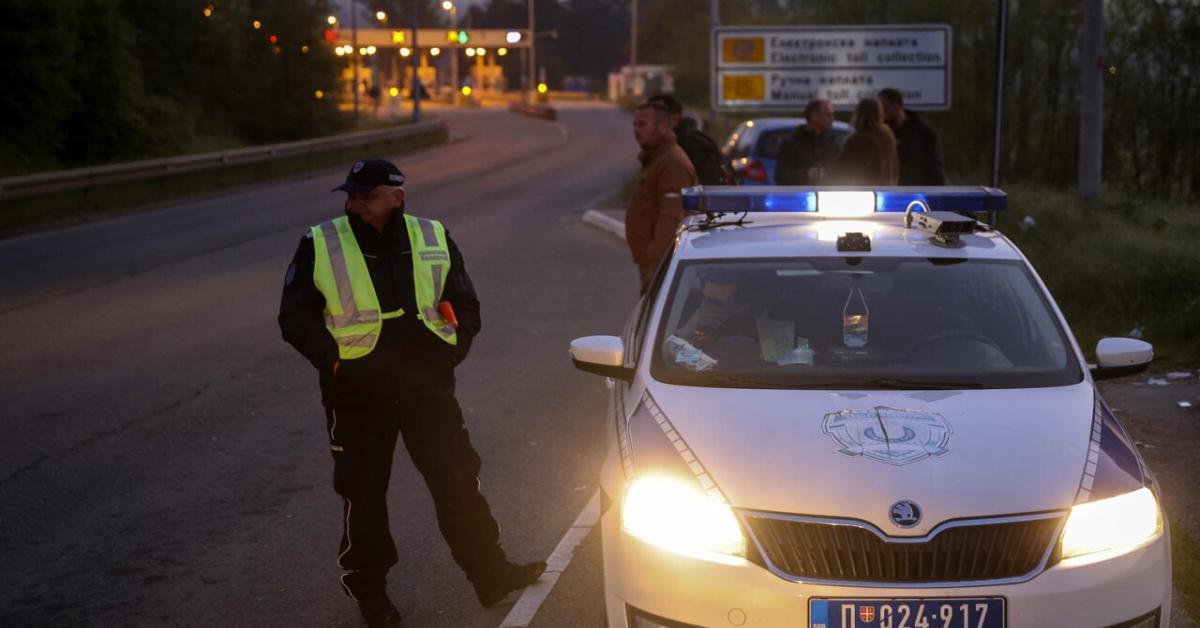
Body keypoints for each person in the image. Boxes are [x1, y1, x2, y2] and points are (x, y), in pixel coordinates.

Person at [278, 159, 545, 627]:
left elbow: (464, 303)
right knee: (364, 496)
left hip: (428, 392)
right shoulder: (320, 241)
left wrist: (451, 353)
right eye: (352, 195)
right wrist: (336, 363)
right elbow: (295, 317)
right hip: (358, 396)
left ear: (397, 197)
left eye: (367, 195)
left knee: (458, 483)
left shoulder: (432, 235)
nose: (356, 203)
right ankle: (371, 591)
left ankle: (491, 574)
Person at [627, 100, 699, 294]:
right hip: (653, 261)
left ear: (663, 127)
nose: (636, 130)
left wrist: (655, 264)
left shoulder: (671, 163)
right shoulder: (657, 158)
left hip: (660, 264)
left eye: (642, 124)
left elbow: (670, 218)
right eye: (635, 124)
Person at [647, 93, 733, 185]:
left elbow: (704, 188)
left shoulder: (694, 148)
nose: (651, 124)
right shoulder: (659, 147)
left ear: (674, 118)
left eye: (657, 118)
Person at [876, 87, 946, 185]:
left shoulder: (925, 133)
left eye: (884, 108)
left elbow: (934, 169)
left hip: (916, 193)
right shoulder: (878, 134)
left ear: (896, 107)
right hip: (887, 193)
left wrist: (939, 195)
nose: (880, 114)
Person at [827, 98, 899, 186]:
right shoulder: (887, 137)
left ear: (858, 114)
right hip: (887, 189)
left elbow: (840, 168)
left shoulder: (858, 140)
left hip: (863, 190)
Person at [775, 99, 840, 185]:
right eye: (828, 115)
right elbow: (781, 178)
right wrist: (806, 175)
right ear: (814, 116)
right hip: (799, 196)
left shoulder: (832, 144)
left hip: (827, 196)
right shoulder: (792, 143)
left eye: (832, 115)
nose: (832, 118)